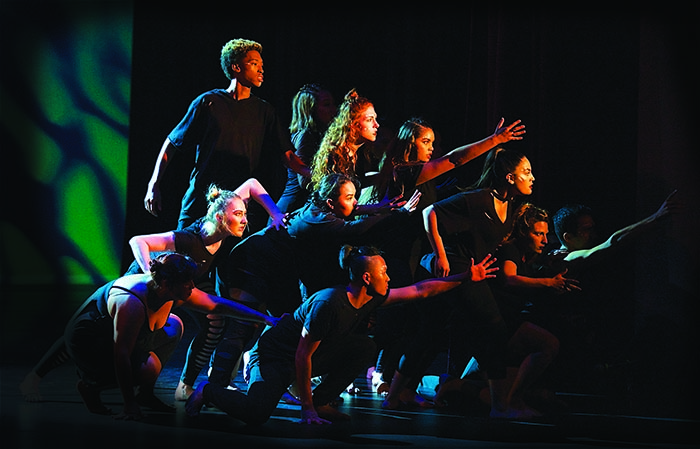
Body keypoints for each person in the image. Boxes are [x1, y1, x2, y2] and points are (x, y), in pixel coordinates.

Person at [19, 179, 284, 403]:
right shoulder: (187, 239)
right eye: (239, 214)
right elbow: (138, 241)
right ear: (219, 216)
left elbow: (251, 185)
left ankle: (185, 385)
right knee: (97, 326)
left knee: (213, 320)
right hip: (150, 283)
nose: (244, 219)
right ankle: (40, 375)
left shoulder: (226, 210)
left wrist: (275, 213)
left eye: (244, 213)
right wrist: (149, 274)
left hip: (177, 285)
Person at [185, 245, 498, 425]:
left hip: (308, 356)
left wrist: (465, 277)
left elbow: (419, 291)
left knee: (364, 346)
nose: (389, 276)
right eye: (384, 272)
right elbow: (301, 356)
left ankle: (322, 402)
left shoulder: (372, 296)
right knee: (256, 413)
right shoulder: (328, 303)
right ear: (366, 277)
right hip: (274, 357)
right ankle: (208, 391)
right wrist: (305, 409)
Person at [205, 172, 418, 391]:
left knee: (285, 322)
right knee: (244, 326)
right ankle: (215, 386)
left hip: (273, 270)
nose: (356, 202)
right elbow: (356, 230)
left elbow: (351, 213)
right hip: (251, 262)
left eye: (355, 196)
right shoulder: (318, 220)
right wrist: (399, 214)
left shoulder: (322, 211)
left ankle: (268, 375)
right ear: (330, 202)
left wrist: (376, 209)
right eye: (349, 197)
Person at [361, 116, 526, 393]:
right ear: (408, 143)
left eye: (432, 143)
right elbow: (453, 160)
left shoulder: (422, 176)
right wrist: (495, 140)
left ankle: (399, 389)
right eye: (425, 142)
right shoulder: (405, 171)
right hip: (396, 256)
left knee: (423, 328)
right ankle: (383, 377)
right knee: (400, 324)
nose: (431, 148)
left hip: (414, 256)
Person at [383, 146, 537, 419]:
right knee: (494, 326)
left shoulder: (510, 205)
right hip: (453, 269)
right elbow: (429, 212)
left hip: (472, 270)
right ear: (510, 177)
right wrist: (440, 255)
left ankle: (394, 396)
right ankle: (500, 406)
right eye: (526, 171)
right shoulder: (479, 199)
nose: (532, 177)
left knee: (430, 333)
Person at [49, 252, 278, 420]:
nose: (191, 286)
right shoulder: (131, 303)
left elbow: (216, 305)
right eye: (187, 282)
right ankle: (91, 385)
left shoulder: (167, 289)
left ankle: (145, 395)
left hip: (116, 337)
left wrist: (265, 318)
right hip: (90, 343)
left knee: (173, 325)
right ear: (167, 283)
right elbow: (121, 354)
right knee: (148, 368)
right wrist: (128, 406)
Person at [143, 38, 309, 232]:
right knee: (186, 259)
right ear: (236, 67)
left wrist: (316, 175)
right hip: (200, 201)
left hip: (237, 205)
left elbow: (288, 156)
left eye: (261, 65)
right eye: (254, 64)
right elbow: (172, 143)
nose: (261, 70)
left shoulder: (265, 111)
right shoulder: (208, 103)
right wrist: (153, 185)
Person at [436, 203, 579, 415]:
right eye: (538, 234)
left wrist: (552, 284)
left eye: (546, 234)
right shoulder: (509, 249)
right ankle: (512, 401)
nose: (545, 240)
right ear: (523, 232)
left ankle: (456, 385)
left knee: (498, 395)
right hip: (491, 328)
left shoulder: (527, 257)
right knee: (548, 344)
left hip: (503, 328)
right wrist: (548, 282)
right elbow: (509, 280)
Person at [275, 83, 337, 215]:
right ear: (311, 110)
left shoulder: (320, 135)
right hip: (292, 209)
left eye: (332, 103)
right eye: (327, 104)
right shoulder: (306, 136)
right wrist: (336, 179)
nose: (334, 109)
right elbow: (303, 181)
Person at [309, 89, 379, 193]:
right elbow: (338, 201)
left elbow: (357, 183)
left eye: (375, 119)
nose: (376, 125)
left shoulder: (359, 153)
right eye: (369, 120)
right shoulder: (336, 156)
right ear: (353, 124)